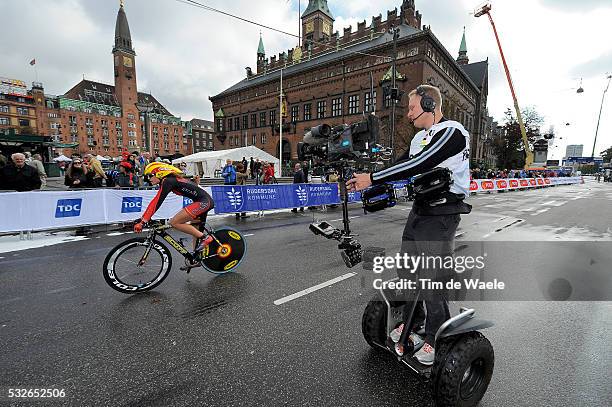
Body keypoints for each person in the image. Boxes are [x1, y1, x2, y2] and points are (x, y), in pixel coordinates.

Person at [347, 85, 471, 366]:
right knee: (408, 272)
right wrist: (366, 178)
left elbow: (423, 163)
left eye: (413, 107)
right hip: (420, 210)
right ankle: (414, 324)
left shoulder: (453, 132)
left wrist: (374, 177)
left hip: (442, 213)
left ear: (430, 104)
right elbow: (403, 164)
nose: (409, 114)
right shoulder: (418, 138)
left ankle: (436, 338)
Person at [134, 162, 215, 255]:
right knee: (195, 230)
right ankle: (196, 258)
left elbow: (156, 202)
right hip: (203, 201)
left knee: (174, 222)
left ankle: (206, 238)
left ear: (159, 173)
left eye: (150, 176)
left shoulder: (168, 181)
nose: (148, 179)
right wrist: (143, 218)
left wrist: (143, 221)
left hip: (204, 202)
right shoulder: (172, 180)